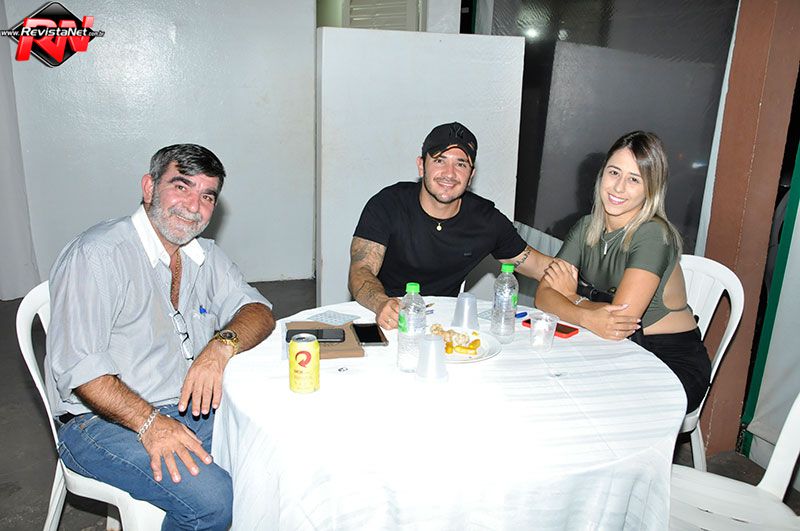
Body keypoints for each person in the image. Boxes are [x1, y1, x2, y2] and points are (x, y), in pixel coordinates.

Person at [45, 144, 275, 530]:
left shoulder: (203, 255)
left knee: (276, 457)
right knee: (214, 500)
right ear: (149, 187)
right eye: (181, 187)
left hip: (186, 405)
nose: (193, 206)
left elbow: (259, 312)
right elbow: (83, 372)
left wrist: (220, 347)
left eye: (207, 196)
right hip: (99, 421)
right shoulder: (98, 254)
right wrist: (151, 423)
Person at [535, 131, 710, 412]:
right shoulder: (586, 227)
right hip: (614, 349)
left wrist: (572, 297)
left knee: (587, 402)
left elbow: (619, 322)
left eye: (634, 179)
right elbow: (543, 296)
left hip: (668, 362)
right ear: (602, 174)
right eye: (614, 172)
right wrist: (585, 313)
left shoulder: (652, 234)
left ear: (650, 189)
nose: (618, 187)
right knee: (548, 381)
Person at [349, 121, 552, 329]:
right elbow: (360, 270)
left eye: (461, 164)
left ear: (471, 175)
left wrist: (573, 285)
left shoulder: (486, 220)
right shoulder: (388, 204)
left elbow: (540, 267)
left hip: (444, 325)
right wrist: (381, 303)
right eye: (439, 160)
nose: (449, 173)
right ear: (421, 165)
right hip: (382, 316)